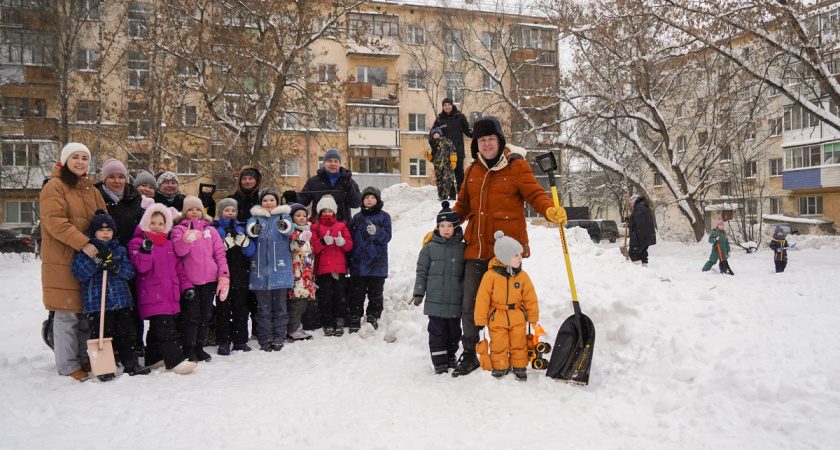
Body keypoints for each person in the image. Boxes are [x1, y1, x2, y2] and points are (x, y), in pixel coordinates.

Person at [450, 116, 566, 377]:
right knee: (470, 304)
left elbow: (535, 194)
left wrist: (550, 210)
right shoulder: (471, 171)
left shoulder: (517, 167)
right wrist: (442, 224)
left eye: (491, 138)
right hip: (477, 251)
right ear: (476, 144)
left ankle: (516, 353)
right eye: (482, 140)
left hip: (504, 255)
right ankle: (470, 352)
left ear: (500, 141)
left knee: (510, 307)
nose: (487, 144)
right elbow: (462, 207)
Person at [39, 142, 107, 381]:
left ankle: (82, 358)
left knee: (82, 313)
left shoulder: (91, 189)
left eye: (85, 158)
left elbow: (102, 220)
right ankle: (68, 365)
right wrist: (83, 243)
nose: (80, 162)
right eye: (75, 157)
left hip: (86, 261)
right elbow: (55, 222)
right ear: (65, 160)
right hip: (62, 261)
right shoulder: (54, 187)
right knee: (65, 314)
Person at [70, 209, 150, 381]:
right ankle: (104, 368)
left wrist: (115, 266)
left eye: (109, 230)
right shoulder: (86, 251)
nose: (105, 233)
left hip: (121, 301)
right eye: (101, 230)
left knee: (127, 334)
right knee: (101, 336)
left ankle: (131, 363)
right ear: (93, 232)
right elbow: (79, 273)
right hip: (98, 303)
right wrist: (96, 262)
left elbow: (129, 272)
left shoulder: (119, 250)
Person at [129, 203, 197, 374]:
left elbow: (178, 269)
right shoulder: (137, 243)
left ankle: (152, 358)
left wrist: (186, 287)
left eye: (161, 223)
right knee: (166, 329)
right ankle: (175, 361)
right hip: (153, 294)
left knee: (158, 327)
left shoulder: (167, 245)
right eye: (153, 223)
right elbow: (141, 268)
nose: (157, 227)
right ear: (145, 223)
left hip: (170, 294)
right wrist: (145, 251)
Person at [95, 158, 147, 354]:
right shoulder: (96, 197)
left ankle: (135, 344)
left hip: (130, 258)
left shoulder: (135, 199)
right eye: (112, 177)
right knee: (109, 305)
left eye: (121, 177)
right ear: (104, 178)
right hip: (105, 256)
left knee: (132, 303)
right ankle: (112, 347)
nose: (117, 181)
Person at [171, 196, 231, 362]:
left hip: (209, 280)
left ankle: (199, 346)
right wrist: (186, 240)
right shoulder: (179, 230)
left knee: (205, 315)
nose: (194, 212)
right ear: (185, 212)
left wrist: (224, 276)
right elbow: (178, 252)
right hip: (190, 282)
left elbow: (220, 253)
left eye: (197, 209)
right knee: (191, 316)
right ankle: (188, 348)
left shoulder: (210, 231)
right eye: (190, 209)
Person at [474, 231, 539, 381]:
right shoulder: (490, 276)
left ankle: (519, 365)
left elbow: (530, 297)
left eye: (520, 255)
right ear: (504, 257)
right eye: (516, 255)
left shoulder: (522, 276)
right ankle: (500, 365)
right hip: (497, 315)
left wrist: (532, 316)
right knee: (498, 343)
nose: (520, 258)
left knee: (519, 342)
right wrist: (481, 319)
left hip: (517, 314)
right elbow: (482, 299)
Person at [412, 202, 466, 374]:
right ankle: (439, 362)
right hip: (435, 300)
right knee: (436, 333)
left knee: (454, 332)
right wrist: (419, 292)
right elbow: (422, 271)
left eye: (449, 225)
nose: (445, 229)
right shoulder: (429, 248)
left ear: (456, 227)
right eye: (442, 225)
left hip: (455, 300)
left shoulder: (463, 248)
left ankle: (451, 356)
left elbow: (466, 274)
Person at [245, 188, 294, 352]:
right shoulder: (255, 218)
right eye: (265, 200)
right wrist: (253, 231)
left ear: (276, 202)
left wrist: (284, 226)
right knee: (263, 309)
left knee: (280, 307)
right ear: (261, 203)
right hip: (260, 272)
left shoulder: (284, 216)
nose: (268, 203)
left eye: (271, 200)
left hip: (280, 270)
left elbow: (290, 229)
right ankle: (265, 338)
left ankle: (279, 337)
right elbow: (250, 229)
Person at [211, 198, 256, 354]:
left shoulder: (242, 228)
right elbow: (209, 253)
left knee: (241, 309)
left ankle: (240, 340)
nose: (230, 213)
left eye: (233, 210)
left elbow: (251, 252)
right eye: (227, 210)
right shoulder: (215, 230)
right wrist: (222, 247)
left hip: (241, 276)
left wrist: (246, 244)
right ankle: (224, 341)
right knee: (223, 310)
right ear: (220, 212)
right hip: (223, 278)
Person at [347, 187, 392, 332]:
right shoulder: (357, 217)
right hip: (358, 263)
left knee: (375, 293)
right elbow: (351, 239)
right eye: (366, 197)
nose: (369, 200)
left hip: (377, 263)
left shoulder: (384, 217)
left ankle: (373, 316)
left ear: (377, 200)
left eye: (372, 197)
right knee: (356, 293)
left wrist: (377, 232)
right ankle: (355, 316)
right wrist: (349, 260)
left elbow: (387, 237)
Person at [310, 195, 354, 336]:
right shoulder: (314, 227)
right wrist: (323, 242)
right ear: (320, 213)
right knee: (326, 297)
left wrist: (343, 243)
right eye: (324, 211)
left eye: (330, 211)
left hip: (339, 269)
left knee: (340, 296)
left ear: (334, 212)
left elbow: (349, 246)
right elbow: (313, 249)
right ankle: (327, 322)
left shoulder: (341, 226)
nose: (327, 214)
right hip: (323, 269)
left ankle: (339, 320)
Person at [288, 149, 361, 223]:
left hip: (342, 228)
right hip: (318, 228)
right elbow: (303, 200)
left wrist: (349, 188)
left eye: (336, 161)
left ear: (340, 164)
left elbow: (356, 204)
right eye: (329, 161)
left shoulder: (348, 181)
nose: (333, 164)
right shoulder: (313, 182)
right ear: (324, 163)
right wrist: (293, 199)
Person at [430, 98, 473, 193]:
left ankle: (461, 194)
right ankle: (451, 194)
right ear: (443, 107)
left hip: (458, 151)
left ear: (452, 105)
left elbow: (467, 131)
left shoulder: (460, 117)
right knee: (447, 175)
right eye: (445, 105)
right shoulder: (439, 119)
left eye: (449, 105)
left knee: (459, 174)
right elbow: (433, 132)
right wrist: (434, 136)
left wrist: (476, 133)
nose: (447, 107)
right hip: (445, 153)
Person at [287, 202, 314, 341]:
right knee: (296, 304)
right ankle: (293, 330)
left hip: (306, 275)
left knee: (303, 303)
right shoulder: (292, 232)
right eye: (298, 215)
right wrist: (300, 240)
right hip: (295, 275)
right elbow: (293, 246)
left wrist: (312, 278)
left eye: (304, 215)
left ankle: (297, 327)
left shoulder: (306, 232)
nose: (302, 218)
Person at [428, 127, 457, 201]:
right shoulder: (434, 145)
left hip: (447, 165)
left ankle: (450, 196)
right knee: (439, 181)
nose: (436, 135)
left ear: (440, 134)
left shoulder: (446, 141)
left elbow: (452, 150)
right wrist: (428, 157)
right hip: (438, 167)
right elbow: (433, 158)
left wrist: (453, 160)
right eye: (434, 134)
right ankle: (441, 196)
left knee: (448, 180)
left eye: (437, 133)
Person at [627, 194, 656, 267]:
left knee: (634, 253)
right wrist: (630, 220)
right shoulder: (646, 208)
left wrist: (640, 238)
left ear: (635, 202)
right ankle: (644, 270)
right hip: (647, 236)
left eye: (632, 203)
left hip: (638, 237)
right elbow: (642, 221)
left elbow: (640, 224)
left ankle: (639, 271)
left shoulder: (638, 209)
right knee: (642, 253)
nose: (631, 205)